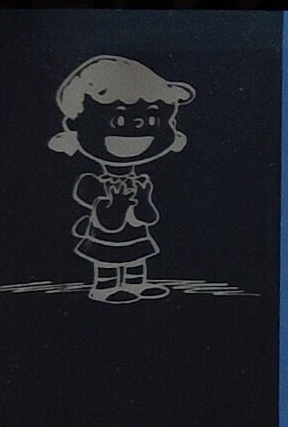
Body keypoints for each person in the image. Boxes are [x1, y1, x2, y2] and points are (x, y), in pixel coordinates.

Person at [47, 54, 193, 302]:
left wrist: (144, 199)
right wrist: (119, 203)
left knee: (137, 258)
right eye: (120, 119)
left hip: (136, 238)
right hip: (105, 241)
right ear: (76, 125)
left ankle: (137, 283)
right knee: (107, 261)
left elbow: (148, 218)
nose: (137, 129)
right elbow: (109, 223)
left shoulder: (140, 182)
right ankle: (105, 287)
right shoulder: (90, 183)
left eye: (153, 119)